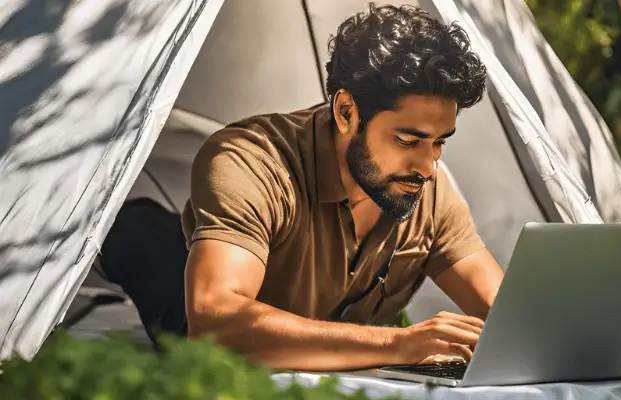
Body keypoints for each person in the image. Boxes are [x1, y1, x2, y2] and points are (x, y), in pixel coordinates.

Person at [99, 2, 504, 372]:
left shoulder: (429, 191)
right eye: (408, 140)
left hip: (315, 339)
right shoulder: (251, 161)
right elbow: (214, 324)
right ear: (346, 111)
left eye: (439, 142)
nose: (429, 167)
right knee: (135, 235)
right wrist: (399, 343)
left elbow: (510, 314)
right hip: (177, 271)